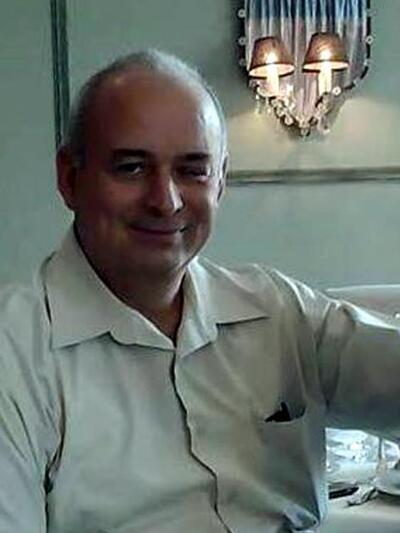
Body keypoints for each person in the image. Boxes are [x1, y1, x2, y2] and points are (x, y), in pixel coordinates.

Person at [0, 49, 399, 533]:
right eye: (131, 167)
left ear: (221, 181)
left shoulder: (276, 311)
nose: (165, 201)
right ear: (69, 178)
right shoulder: (16, 352)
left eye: (192, 170)